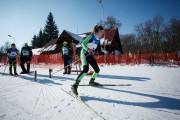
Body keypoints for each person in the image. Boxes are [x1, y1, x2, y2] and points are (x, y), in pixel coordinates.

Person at [71, 25, 108, 95]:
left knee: (97, 70)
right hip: (84, 54)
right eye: (102, 32)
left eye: (103, 32)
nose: (102, 33)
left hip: (89, 55)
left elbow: (99, 48)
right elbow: (83, 43)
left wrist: (106, 51)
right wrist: (87, 49)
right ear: (98, 31)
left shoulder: (98, 40)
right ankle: (75, 85)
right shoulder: (91, 36)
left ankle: (91, 81)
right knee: (85, 70)